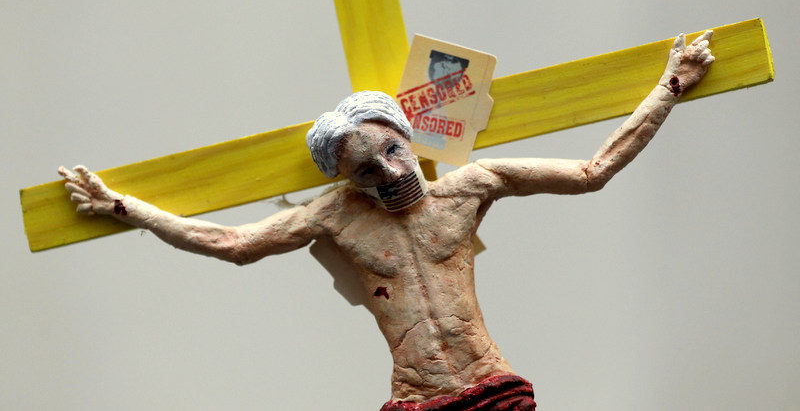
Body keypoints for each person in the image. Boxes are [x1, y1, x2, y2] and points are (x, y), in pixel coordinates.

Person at [59, 32, 714, 410]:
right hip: (417, 399)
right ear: (347, 179)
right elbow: (231, 242)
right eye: (367, 170)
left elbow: (594, 168)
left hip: (493, 389)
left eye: (393, 152)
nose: (390, 173)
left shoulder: (470, 187)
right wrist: (126, 206)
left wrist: (672, 84)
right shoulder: (337, 217)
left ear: (408, 138)